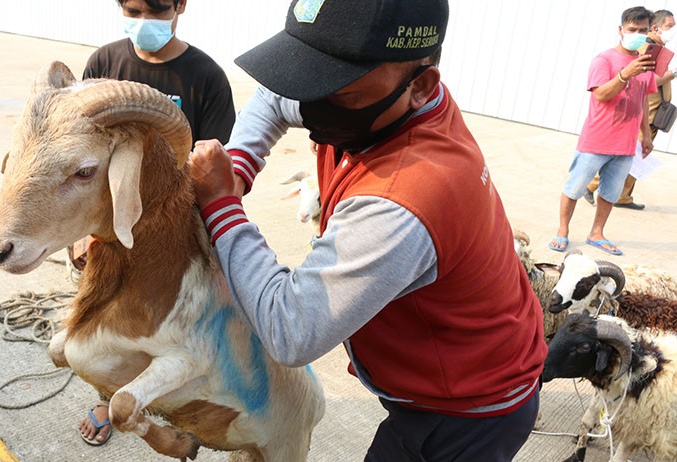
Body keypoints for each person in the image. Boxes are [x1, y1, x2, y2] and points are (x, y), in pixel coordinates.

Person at [188, 1, 547, 460]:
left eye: (336, 87)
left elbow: (291, 328)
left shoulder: (406, 198)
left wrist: (221, 204)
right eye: (305, 74)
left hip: (468, 407)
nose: (312, 101)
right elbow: (273, 98)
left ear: (421, 85)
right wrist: (238, 166)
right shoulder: (384, 106)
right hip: (443, 364)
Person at [74, 0, 235, 446]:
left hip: (173, 231)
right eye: (133, 8)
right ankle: (107, 397)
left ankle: (180, 398)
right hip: (109, 229)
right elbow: (78, 153)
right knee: (101, 323)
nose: (145, 20)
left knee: (172, 325)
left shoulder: (205, 77)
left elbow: (215, 167)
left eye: (159, 8)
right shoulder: (104, 64)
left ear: (181, 4)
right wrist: (84, 232)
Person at [549, 6, 657, 256]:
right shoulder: (604, 60)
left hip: (626, 145)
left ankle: (596, 233)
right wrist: (624, 74)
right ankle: (562, 230)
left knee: (610, 193)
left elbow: (642, 98)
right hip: (596, 140)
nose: (637, 35)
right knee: (575, 187)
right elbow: (600, 95)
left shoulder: (646, 65)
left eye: (642, 30)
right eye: (632, 29)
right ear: (621, 30)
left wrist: (646, 134)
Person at [583, 8, 676, 211]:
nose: (672, 31)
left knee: (635, 157)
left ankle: (623, 196)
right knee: (627, 156)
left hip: (652, 113)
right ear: (655, 28)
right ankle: (590, 186)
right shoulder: (646, 49)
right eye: (669, 26)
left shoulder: (657, 49)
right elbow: (647, 81)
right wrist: (672, 74)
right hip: (644, 113)